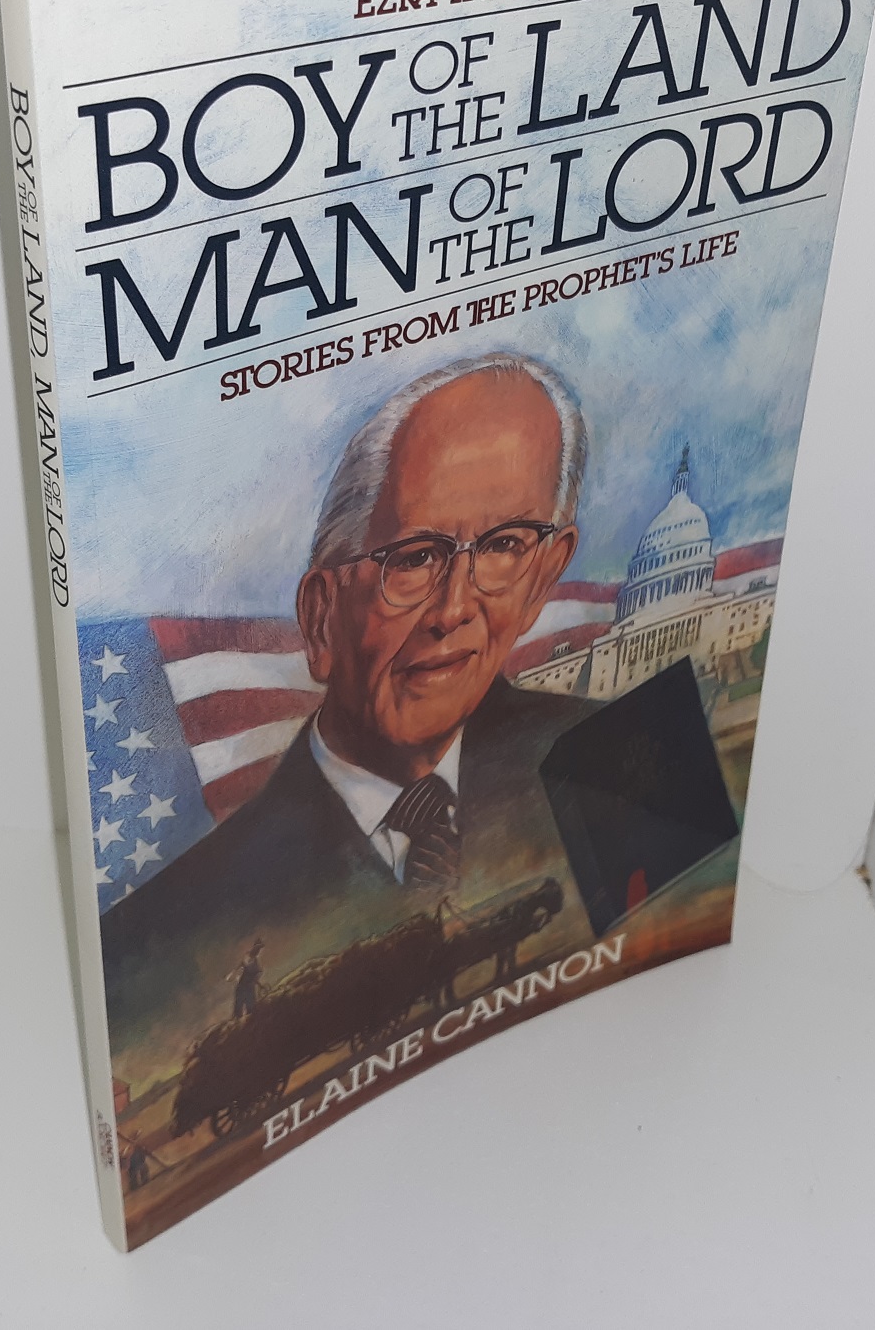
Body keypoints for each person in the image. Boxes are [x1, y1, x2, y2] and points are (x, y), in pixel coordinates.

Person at [102, 353, 611, 1023]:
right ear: (321, 617)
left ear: (545, 575)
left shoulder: (622, 760)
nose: (454, 609)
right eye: (415, 557)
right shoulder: (155, 944)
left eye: (504, 547)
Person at [227, 939, 264, 1018]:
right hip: (241, 986)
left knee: (251, 1011)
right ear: (254, 948)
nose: (258, 950)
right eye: (257, 948)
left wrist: (258, 982)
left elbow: (257, 974)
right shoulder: (247, 957)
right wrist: (231, 975)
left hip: (250, 988)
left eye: (259, 948)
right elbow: (241, 967)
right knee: (238, 1011)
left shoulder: (256, 962)